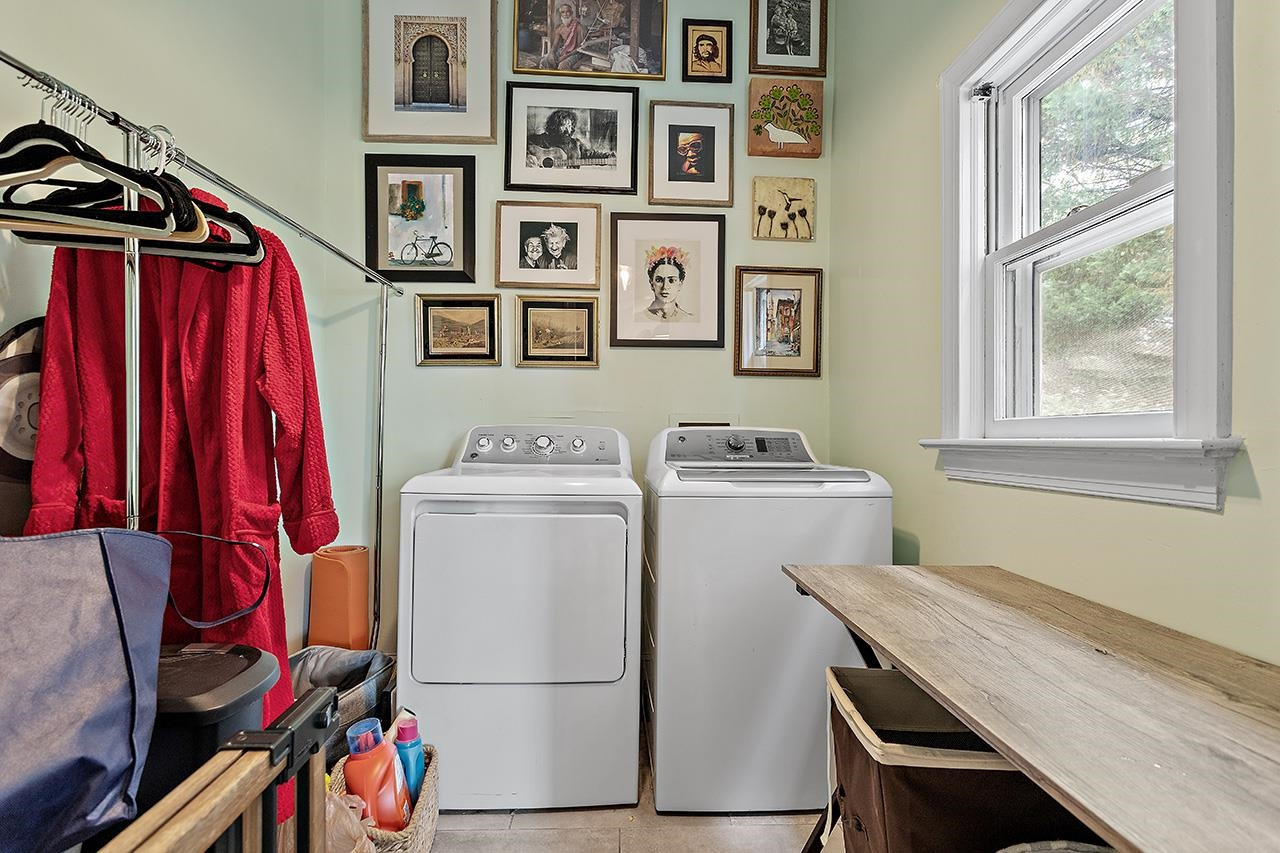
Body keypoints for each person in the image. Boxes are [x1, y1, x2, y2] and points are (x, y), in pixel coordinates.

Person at [526, 108, 610, 168]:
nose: (567, 129)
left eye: (569, 126)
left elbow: (591, 154)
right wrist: (528, 157)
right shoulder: (542, 139)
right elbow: (523, 144)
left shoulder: (576, 144)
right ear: (554, 126)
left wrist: (608, 156)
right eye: (563, 125)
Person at [643, 245, 694, 320]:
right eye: (659, 280)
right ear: (651, 284)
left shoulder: (689, 319)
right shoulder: (640, 317)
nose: (665, 287)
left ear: (680, 284)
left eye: (671, 280)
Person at [541, 2, 586, 71]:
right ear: (560, 14)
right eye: (563, 12)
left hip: (576, 53)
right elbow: (555, 45)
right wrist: (551, 53)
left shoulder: (578, 27)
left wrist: (564, 57)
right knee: (545, 61)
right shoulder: (560, 28)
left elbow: (579, 48)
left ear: (571, 13)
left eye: (568, 12)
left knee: (563, 65)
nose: (565, 14)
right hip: (564, 50)